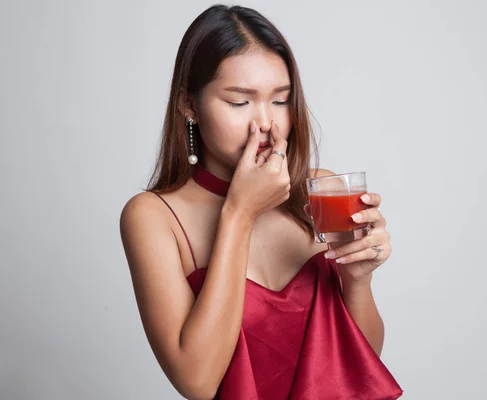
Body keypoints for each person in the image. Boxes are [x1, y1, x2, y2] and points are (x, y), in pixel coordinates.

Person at [120, 4, 402, 399]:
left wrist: (359, 279)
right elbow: (197, 382)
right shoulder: (153, 217)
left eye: (281, 100)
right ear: (189, 105)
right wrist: (239, 213)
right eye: (239, 102)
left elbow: (361, 365)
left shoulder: (319, 191)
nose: (265, 123)